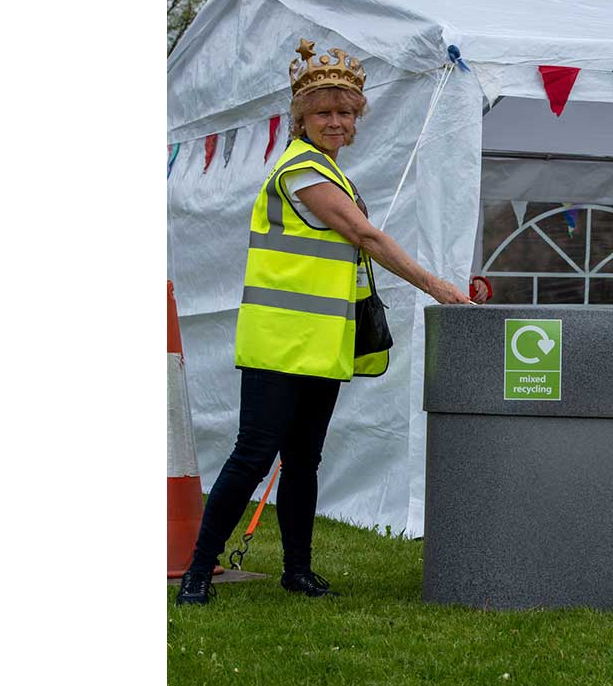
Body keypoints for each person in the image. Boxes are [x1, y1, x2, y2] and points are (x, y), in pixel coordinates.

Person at [177, 40, 473, 606]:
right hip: (280, 339)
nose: (335, 121)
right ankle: (198, 568)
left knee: (305, 459)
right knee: (252, 455)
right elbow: (365, 236)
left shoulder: (329, 171)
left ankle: (298, 569)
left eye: (344, 112)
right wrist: (435, 287)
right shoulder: (301, 170)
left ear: (357, 117)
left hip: (318, 339)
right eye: (323, 112)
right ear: (301, 119)